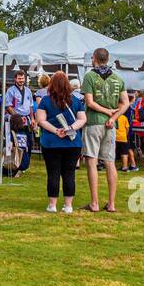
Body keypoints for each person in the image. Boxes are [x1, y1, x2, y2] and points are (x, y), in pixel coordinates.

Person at [80, 47, 128, 213]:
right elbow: (126, 103)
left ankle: (94, 203)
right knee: (110, 162)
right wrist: (113, 117)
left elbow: (90, 102)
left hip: (94, 122)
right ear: (107, 59)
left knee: (92, 161)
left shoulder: (89, 77)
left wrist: (108, 112)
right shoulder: (117, 78)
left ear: (94, 58)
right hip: (110, 125)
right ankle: (111, 203)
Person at [34, 71, 87, 213]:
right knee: (69, 173)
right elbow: (82, 119)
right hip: (72, 143)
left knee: (53, 173)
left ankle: (52, 205)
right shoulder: (75, 101)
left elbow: (41, 120)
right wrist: (70, 128)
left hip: (51, 142)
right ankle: (68, 205)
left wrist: (56, 131)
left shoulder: (45, 100)